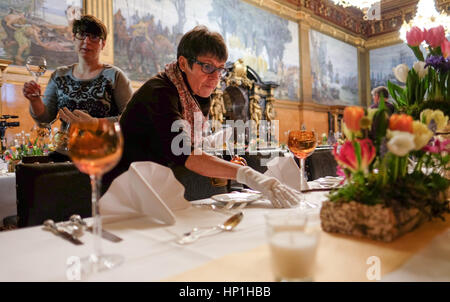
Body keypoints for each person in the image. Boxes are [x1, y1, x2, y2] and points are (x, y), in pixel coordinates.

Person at [103, 26, 300, 208]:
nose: (215, 77)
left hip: (158, 189)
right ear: (183, 63)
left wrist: (223, 164)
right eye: (207, 67)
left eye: (220, 68)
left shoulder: (195, 94)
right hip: (123, 194)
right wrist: (250, 176)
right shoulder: (159, 92)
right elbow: (187, 154)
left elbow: (186, 146)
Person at [22, 15, 133, 161]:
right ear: (74, 38)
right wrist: (35, 101)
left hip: (102, 158)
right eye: (82, 35)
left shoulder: (115, 76)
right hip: (64, 156)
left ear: (103, 44)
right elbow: (45, 119)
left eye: (94, 37)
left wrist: (94, 124)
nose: (86, 41)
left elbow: (132, 120)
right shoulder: (59, 75)